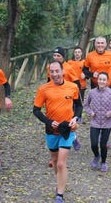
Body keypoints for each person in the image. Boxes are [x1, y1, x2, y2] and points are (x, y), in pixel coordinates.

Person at [33, 61, 82, 203]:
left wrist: (75, 118)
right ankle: (59, 183)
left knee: (61, 163)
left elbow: (78, 105)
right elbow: (36, 110)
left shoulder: (73, 87)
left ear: (63, 71)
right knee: (54, 160)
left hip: (68, 128)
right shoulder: (43, 89)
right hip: (51, 129)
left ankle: (60, 194)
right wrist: (48, 122)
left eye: (57, 71)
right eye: (51, 72)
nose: (54, 74)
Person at [84, 72, 111, 172]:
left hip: (106, 123)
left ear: (107, 81)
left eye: (104, 79)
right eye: (100, 79)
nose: (102, 81)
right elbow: (86, 105)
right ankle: (96, 156)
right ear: (97, 80)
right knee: (94, 144)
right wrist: (90, 112)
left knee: (103, 144)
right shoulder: (91, 92)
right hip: (94, 122)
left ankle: (103, 162)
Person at [67, 46, 87, 123]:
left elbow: (89, 71)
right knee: (71, 101)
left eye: (79, 52)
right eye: (76, 52)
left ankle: (79, 117)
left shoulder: (84, 62)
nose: (77, 54)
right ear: (74, 53)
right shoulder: (69, 62)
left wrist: (85, 75)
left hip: (81, 85)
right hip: (71, 85)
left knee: (80, 101)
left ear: (81, 53)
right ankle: (71, 116)